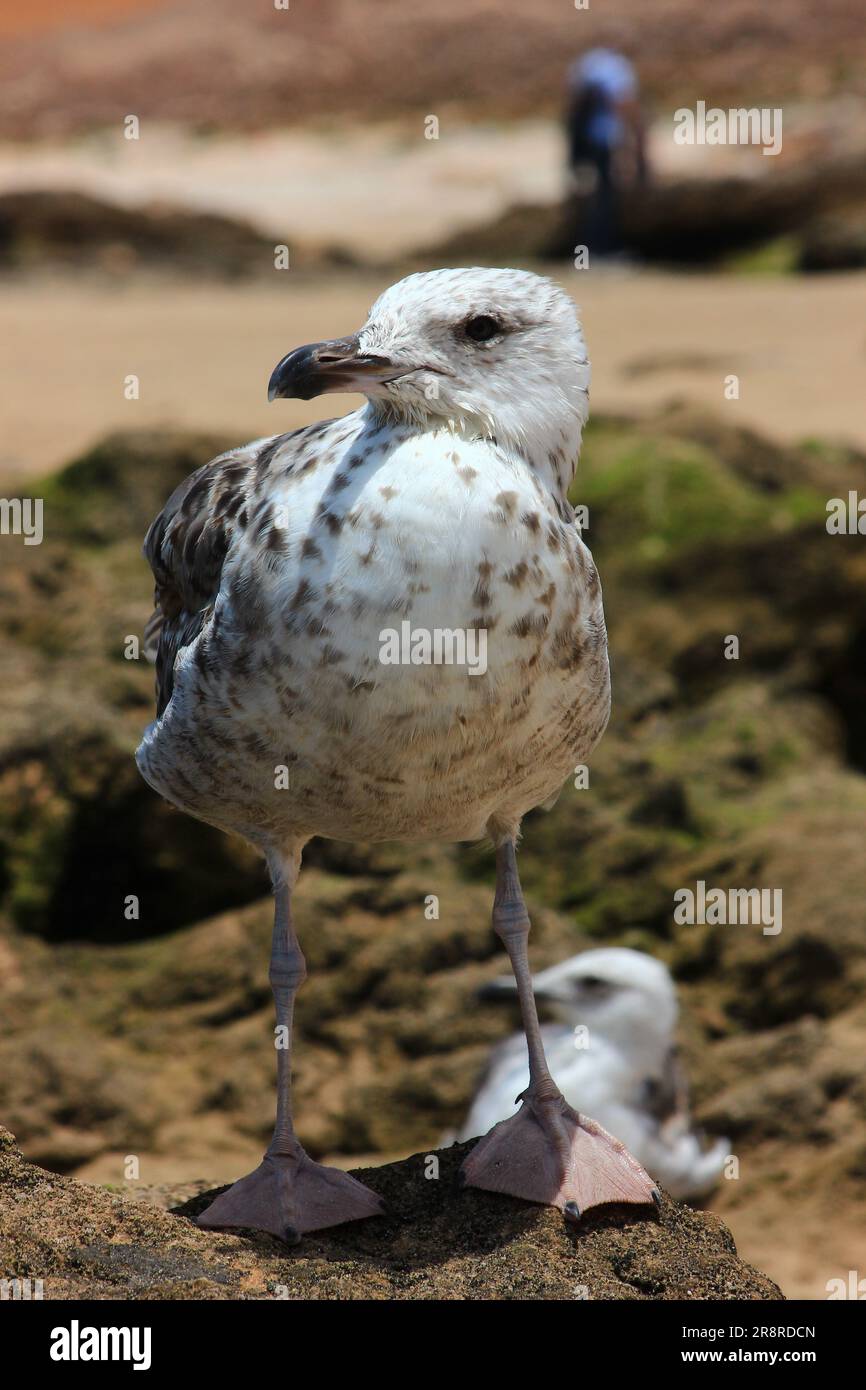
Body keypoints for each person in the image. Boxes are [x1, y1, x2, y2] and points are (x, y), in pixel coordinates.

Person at [565, 48, 647, 258]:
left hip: (583, 140)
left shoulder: (588, 63)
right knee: (605, 197)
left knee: (590, 194)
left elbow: (572, 103)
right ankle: (603, 249)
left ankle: (585, 249)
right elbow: (624, 105)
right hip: (605, 139)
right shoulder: (619, 69)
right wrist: (636, 149)